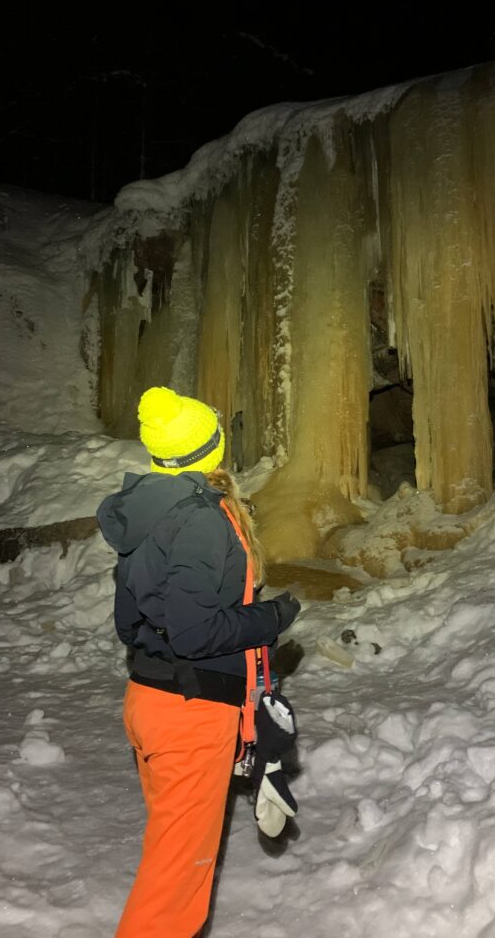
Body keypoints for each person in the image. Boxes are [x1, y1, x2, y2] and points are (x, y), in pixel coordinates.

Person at [96, 385, 300, 938]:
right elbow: (195, 632)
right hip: (189, 715)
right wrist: (274, 616)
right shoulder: (202, 521)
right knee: (174, 888)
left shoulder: (146, 513)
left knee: (173, 862)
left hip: (149, 701)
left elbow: (127, 623)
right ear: (212, 448)